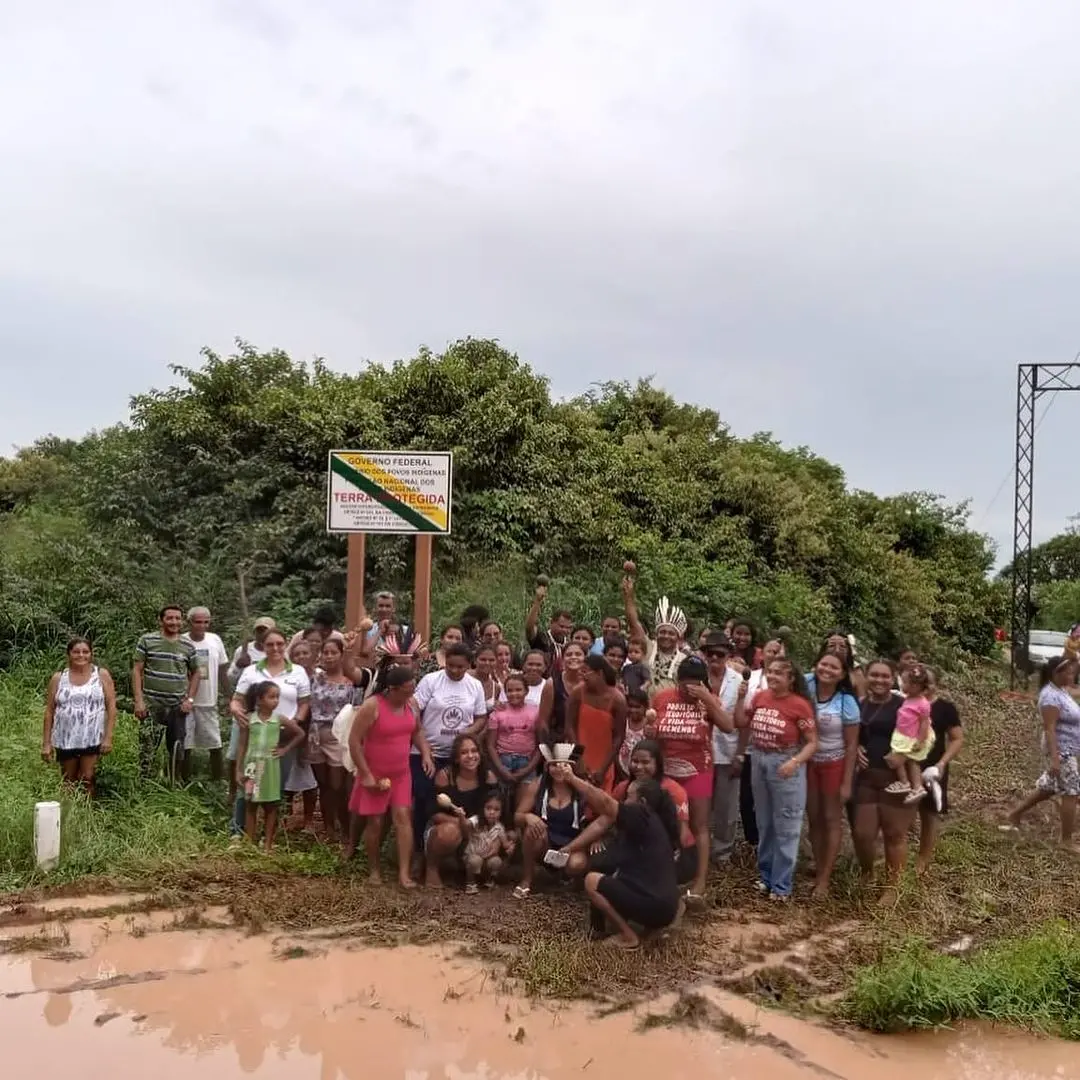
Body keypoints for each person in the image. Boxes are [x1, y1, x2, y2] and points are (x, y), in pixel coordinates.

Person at [556, 764, 681, 950]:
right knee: (611, 876)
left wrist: (572, 778)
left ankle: (628, 936)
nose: (623, 801)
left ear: (643, 801)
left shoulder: (640, 814)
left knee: (591, 881)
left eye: (628, 797)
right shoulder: (652, 823)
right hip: (667, 907)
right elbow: (603, 819)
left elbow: (605, 803)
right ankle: (650, 929)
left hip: (655, 905)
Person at [649, 656, 732, 902]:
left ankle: (700, 880)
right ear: (678, 680)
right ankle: (665, 873)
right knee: (666, 823)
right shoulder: (663, 698)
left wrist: (707, 699)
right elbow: (652, 731)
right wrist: (650, 732)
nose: (689, 688)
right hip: (667, 769)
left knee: (699, 825)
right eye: (685, 682)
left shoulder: (709, 700)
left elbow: (728, 727)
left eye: (695, 682)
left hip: (698, 768)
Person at [737, 657, 817, 901]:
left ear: (790, 679)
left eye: (778, 674)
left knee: (786, 825)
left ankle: (781, 886)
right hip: (759, 759)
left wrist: (794, 762)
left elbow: (813, 742)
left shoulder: (799, 705)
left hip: (785, 762)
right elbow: (740, 723)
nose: (772, 677)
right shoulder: (760, 697)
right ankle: (766, 876)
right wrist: (741, 698)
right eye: (770, 672)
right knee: (764, 822)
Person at [348, 665, 433, 886]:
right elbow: (354, 742)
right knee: (375, 822)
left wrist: (425, 753)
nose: (411, 692)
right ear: (392, 689)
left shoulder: (411, 705)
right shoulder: (372, 706)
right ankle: (374, 870)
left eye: (413, 687)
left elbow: (417, 731)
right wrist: (365, 774)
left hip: (401, 773)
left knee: (403, 818)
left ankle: (403, 874)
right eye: (407, 689)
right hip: (375, 773)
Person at [410, 643, 489, 860]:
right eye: (451, 666)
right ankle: (418, 849)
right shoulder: (431, 681)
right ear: (445, 661)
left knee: (452, 801)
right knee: (423, 797)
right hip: (427, 752)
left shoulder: (474, 685)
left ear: (468, 665)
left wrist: (465, 734)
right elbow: (415, 707)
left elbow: (481, 717)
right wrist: (424, 745)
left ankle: (454, 849)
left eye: (460, 667)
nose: (455, 671)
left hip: (458, 756)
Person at [231, 629, 311, 836]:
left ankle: (272, 835)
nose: (275, 648)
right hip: (256, 735)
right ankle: (238, 832)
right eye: (270, 644)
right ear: (263, 646)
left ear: (285, 645)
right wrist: (235, 710)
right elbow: (237, 699)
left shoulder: (298, 672)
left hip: (283, 738)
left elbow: (304, 703)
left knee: (277, 786)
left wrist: (296, 722)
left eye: (279, 644)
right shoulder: (251, 671)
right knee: (247, 786)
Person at [852, 659, 918, 904]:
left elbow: (925, 737)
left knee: (894, 834)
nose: (879, 680)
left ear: (894, 679)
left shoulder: (905, 705)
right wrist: (857, 746)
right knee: (862, 833)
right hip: (867, 778)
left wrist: (905, 752)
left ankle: (893, 886)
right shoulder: (859, 705)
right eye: (875, 675)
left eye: (885, 676)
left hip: (897, 778)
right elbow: (852, 734)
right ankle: (867, 872)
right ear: (866, 677)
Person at [1001, 654, 1080, 846]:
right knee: (1071, 792)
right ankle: (1066, 841)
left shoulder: (1060, 690)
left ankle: (1014, 815)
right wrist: (1055, 758)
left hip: (1066, 748)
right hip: (1061, 750)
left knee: (1048, 787)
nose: (1072, 674)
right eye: (1068, 672)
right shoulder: (1049, 697)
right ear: (1056, 673)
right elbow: (1049, 728)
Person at [804, 648, 861, 899]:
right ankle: (819, 867)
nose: (827, 670)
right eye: (823, 665)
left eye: (834, 668)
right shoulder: (805, 687)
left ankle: (825, 880)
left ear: (842, 674)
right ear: (815, 665)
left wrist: (847, 782)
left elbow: (851, 746)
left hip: (834, 763)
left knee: (831, 818)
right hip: (808, 762)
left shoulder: (846, 702)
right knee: (813, 818)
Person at [308, 637, 369, 843]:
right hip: (315, 735)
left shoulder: (353, 682)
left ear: (342, 655)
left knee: (338, 786)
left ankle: (346, 831)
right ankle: (328, 829)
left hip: (339, 736)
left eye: (334, 652)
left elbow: (358, 710)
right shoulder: (315, 678)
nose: (329, 656)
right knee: (323, 785)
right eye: (325, 652)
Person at [133, 605, 200, 782]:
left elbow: (196, 673)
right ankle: (145, 784)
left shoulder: (187, 646)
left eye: (177, 618)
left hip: (177, 706)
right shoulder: (147, 640)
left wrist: (190, 699)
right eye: (170, 618)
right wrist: (139, 701)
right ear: (161, 620)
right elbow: (137, 670)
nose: (174, 622)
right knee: (147, 749)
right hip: (152, 704)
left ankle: (173, 787)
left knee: (177, 749)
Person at [41, 638, 117, 796]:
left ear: (91, 654)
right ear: (68, 654)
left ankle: (87, 813)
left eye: (85, 652)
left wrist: (108, 737)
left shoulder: (101, 675)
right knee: (68, 779)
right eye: (76, 652)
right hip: (65, 737)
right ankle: (69, 813)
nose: (81, 655)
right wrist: (46, 744)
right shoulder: (58, 678)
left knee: (87, 777)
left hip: (92, 736)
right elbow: (49, 711)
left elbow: (111, 707)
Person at [235, 681, 305, 851]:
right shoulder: (249, 719)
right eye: (272, 697)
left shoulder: (278, 719)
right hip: (252, 767)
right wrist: (238, 770)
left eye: (277, 697)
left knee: (271, 805)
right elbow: (242, 745)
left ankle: (267, 844)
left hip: (270, 768)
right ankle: (250, 843)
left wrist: (284, 750)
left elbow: (300, 733)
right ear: (259, 699)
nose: (276, 701)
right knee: (251, 804)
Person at [513, 747, 590, 899]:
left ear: (572, 766)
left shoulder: (581, 786)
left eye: (564, 765)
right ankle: (527, 878)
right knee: (531, 830)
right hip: (546, 840)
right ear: (548, 767)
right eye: (554, 765)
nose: (558, 769)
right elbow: (517, 816)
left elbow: (600, 815)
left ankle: (569, 878)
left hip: (573, 843)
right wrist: (528, 817)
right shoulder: (538, 784)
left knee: (576, 864)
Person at [423, 734, 495, 888]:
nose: (470, 756)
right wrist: (461, 822)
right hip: (447, 826)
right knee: (449, 832)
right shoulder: (445, 776)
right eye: (464, 752)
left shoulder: (488, 777)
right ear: (456, 758)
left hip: (476, 827)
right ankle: (431, 868)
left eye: (474, 751)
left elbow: (495, 810)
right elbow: (433, 813)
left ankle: (464, 866)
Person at [915, 667, 964, 873]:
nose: (925, 687)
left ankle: (923, 858)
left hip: (933, 765)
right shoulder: (903, 704)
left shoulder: (945, 708)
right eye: (920, 682)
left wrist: (942, 763)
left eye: (929, 683)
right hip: (907, 764)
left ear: (936, 685)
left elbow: (957, 738)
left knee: (929, 812)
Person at [739, 639, 786, 848]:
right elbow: (742, 717)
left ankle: (773, 840)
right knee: (747, 798)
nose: (774, 655)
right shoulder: (751, 678)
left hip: (778, 750)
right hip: (751, 748)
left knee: (774, 797)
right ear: (762, 654)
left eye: (778, 652)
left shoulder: (790, 683)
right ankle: (752, 842)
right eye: (770, 651)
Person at [703, 635, 745, 864]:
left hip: (728, 752)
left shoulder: (738, 682)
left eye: (720, 654)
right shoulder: (698, 680)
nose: (715, 659)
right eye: (711, 654)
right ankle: (700, 849)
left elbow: (744, 722)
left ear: (729, 656)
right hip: (700, 752)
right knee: (700, 804)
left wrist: (740, 753)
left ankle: (722, 852)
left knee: (726, 806)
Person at [566, 654, 626, 792]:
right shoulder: (577, 693)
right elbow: (569, 727)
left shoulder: (618, 700)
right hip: (579, 756)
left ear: (599, 673)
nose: (582, 676)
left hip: (604, 761)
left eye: (585, 671)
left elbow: (619, 737)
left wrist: (603, 769)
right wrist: (577, 759)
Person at [182, 607, 230, 782]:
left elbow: (223, 669)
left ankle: (217, 782)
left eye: (205, 622)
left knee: (214, 743)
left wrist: (228, 695)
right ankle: (183, 782)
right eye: (197, 622)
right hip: (185, 701)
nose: (202, 626)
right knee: (185, 744)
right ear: (190, 622)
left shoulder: (215, 640)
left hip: (209, 700)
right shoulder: (182, 642)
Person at [622, 576, 689, 692]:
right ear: (656, 633)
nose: (666, 636)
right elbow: (633, 623)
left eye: (671, 633)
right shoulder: (648, 648)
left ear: (678, 637)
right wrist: (629, 596)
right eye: (662, 632)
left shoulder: (684, 660)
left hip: (669, 708)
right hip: (642, 706)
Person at [885, 664, 935, 802]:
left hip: (911, 737)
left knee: (905, 760)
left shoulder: (923, 704)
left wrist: (920, 740)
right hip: (903, 734)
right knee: (906, 760)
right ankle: (909, 783)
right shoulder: (908, 698)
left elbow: (925, 723)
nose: (903, 685)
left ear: (915, 686)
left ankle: (911, 784)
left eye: (905, 683)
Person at [487, 672, 544, 792]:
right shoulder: (498, 713)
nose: (514, 694)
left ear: (526, 691)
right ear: (505, 692)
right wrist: (501, 769)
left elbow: (541, 745)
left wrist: (528, 769)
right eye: (510, 690)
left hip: (527, 761)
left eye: (518, 690)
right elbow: (490, 745)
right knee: (502, 800)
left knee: (523, 801)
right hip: (503, 760)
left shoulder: (536, 713)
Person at [463, 792, 516, 893]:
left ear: (501, 812)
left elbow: (505, 844)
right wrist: (461, 816)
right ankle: (470, 882)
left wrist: (511, 846)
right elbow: (466, 824)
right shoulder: (476, 820)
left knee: (496, 861)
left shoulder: (499, 827)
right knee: (475, 860)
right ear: (482, 808)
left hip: (489, 858)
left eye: (496, 809)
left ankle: (489, 880)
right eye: (488, 808)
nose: (492, 812)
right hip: (473, 856)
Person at [524, 579, 573, 668]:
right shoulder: (542, 639)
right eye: (561, 626)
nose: (564, 630)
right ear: (551, 623)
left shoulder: (569, 644)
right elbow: (529, 627)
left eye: (568, 628)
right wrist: (538, 601)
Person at [550, 642, 585, 739]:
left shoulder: (592, 683)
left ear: (585, 658)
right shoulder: (552, 683)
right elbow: (544, 720)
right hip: (560, 743)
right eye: (569, 654)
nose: (573, 657)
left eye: (578, 654)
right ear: (562, 659)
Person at [228, 616, 276, 685]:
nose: (262, 634)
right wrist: (238, 666)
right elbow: (231, 679)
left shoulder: (277, 651)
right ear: (254, 633)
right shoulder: (243, 650)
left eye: (266, 630)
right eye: (259, 630)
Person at [617, 688, 650, 779]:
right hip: (621, 771)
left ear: (646, 707)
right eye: (630, 706)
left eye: (637, 707)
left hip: (643, 774)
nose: (633, 710)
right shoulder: (623, 723)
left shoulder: (650, 726)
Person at [473, 644, 503, 714]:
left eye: (491, 660)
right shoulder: (464, 677)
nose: (487, 663)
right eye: (483, 659)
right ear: (475, 660)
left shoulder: (496, 687)